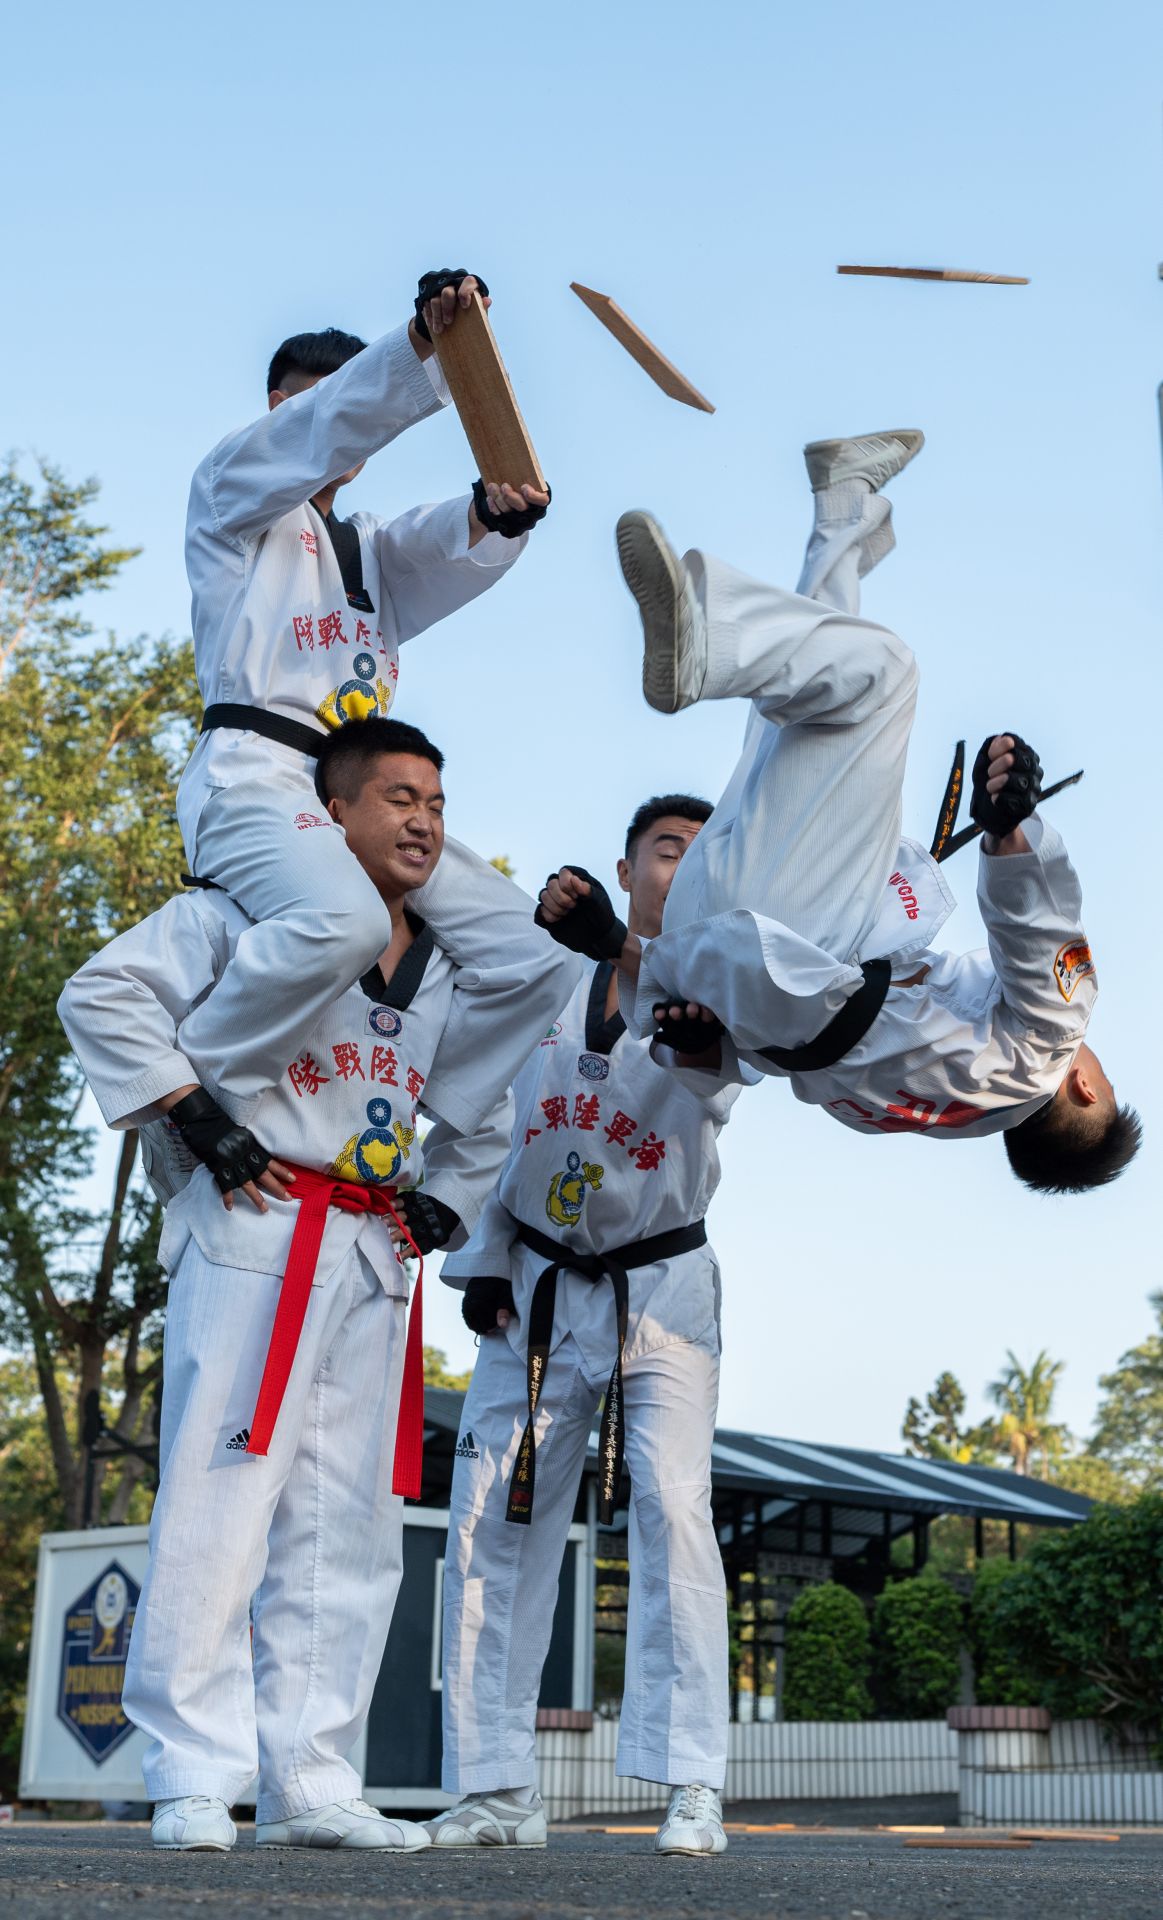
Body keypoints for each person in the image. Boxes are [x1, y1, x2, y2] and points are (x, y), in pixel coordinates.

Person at [57, 717, 577, 1855]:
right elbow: (100, 997)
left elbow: (481, 1099)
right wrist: (191, 1112)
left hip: (372, 1243)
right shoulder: (236, 916)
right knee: (221, 1500)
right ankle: (192, 1773)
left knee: (351, 1524)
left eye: (436, 802)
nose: (423, 820)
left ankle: (314, 1777)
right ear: (328, 815)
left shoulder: (456, 964)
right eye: (395, 797)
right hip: (255, 1220)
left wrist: (453, 1185)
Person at [537, 432, 1140, 1194]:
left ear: (1085, 1089)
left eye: (1099, 1072)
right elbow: (756, 1041)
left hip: (791, 925)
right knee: (807, 696)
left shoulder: (1048, 1046)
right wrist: (627, 952)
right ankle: (843, 506)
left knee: (882, 675)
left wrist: (1010, 831)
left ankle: (708, 640)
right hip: (724, 931)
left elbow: (1037, 939)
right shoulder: (877, 1109)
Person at [423, 794, 757, 1860]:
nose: (683, 864)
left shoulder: (722, 985)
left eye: (707, 853)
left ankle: (690, 1782)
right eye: (667, 847)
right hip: (534, 1278)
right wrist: (479, 1259)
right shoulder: (542, 981)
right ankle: (493, 1785)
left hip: (660, 1294)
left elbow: (712, 1074)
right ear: (627, 863)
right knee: (490, 1519)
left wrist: (617, 945)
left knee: (669, 1509)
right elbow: (486, 1118)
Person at [172, 269, 554, 1153]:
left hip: (360, 795)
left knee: (535, 953)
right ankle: (195, 1096)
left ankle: (431, 1107)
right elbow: (321, 427)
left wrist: (493, 512)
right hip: (257, 780)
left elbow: (434, 547)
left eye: (358, 406)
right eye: (322, 404)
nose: (343, 427)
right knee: (347, 924)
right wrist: (422, 345)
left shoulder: (366, 546)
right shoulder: (232, 498)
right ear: (278, 407)